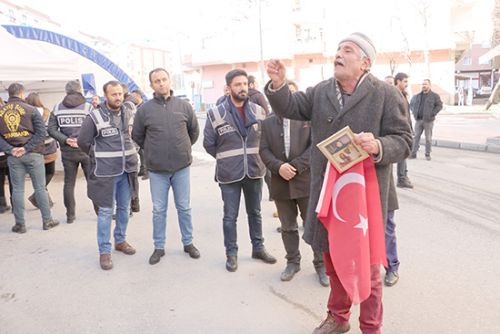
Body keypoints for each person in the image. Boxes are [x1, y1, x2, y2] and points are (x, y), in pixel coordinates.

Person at [265, 32, 412, 334]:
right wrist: (279, 84)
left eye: (347, 50)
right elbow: (290, 106)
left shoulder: (386, 94)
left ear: (365, 62)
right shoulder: (321, 92)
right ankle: (338, 317)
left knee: (368, 268)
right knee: (333, 261)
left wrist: (379, 145)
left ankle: (371, 326)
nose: (338, 55)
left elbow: (405, 141)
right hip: (329, 192)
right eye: (337, 50)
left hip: (367, 196)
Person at [203, 69, 277, 272]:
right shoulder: (216, 113)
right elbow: (209, 144)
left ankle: (258, 248)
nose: (243, 88)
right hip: (229, 173)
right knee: (230, 216)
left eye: (245, 84)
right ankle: (231, 254)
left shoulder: (259, 111)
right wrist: (228, 158)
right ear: (228, 88)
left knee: (255, 212)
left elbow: (267, 139)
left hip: (254, 169)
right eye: (238, 84)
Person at [260, 80, 329, 286]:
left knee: (314, 225)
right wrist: (279, 166)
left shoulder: (308, 121)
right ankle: (293, 262)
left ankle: (321, 265)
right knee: (288, 226)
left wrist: (296, 166)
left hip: (306, 181)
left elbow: (315, 146)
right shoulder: (268, 122)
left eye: (289, 95)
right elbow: (263, 150)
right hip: (280, 182)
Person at [132, 68, 200, 265]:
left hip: (181, 168)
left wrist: (182, 147)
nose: (161, 83)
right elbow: (137, 136)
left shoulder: (184, 106)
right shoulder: (144, 110)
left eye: (164, 79)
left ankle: (188, 243)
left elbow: (193, 132)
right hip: (157, 171)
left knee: (184, 208)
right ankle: (159, 246)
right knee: (158, 210)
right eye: (157, 81)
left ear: (170, 81)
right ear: (151, 85)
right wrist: (154, 150)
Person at [77, 81, 138, 270]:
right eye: (114, 94)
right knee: (105, 212)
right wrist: (98, 157)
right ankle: (104, 251)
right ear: (106, 95)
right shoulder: (94, 117)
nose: (118, 97)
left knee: (124, 208)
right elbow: (83, 141)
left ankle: (120, 240)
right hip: (105, 173)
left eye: (120, 94)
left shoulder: (129, 112)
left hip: (127, 170)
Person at [0, 83, 60, 233]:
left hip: (13, 156)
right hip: (33, 154)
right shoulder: (32, 110)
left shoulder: (1, 111)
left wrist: (11, 149)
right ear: (21, 93)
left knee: (18, 190)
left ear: (9, 94)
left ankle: (20, 224)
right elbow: (41, 133)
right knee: (40, 188)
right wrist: (26, 148)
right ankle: (47, 220)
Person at [48, 80, 92, 224]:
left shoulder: (57, 108)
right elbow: (94, 127)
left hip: (68, 152)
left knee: (69, 183)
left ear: (66, 91)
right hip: (86, 149)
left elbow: (51, 130)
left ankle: (70, 216)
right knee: (93, 181)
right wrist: (80, 139)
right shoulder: (88, 107)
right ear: (79, 90)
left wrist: (66, 140)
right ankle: (100, 211)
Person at [25, 92, 58, 209]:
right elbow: (52, 128)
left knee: (39, 176)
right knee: (50, 172)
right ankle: (41, 199)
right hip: (49, 146)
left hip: (35, 148)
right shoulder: (47, 112)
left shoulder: (26, 113)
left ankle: (39, 197)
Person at [409, 79, 443, 161]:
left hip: (428, 121)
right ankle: (413, 153)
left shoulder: (434, 96)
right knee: (416, 137)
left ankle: (427, 154)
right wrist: (414, 112)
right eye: (423, 84)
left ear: (430, 85)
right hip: (418, 120)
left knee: (428, 138)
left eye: (426, 84)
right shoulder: (417, 96)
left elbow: (439, 106)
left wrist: (432, 113)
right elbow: (412, 105)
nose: (424, 86)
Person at [393, 73, 414, 189]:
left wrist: (410, 128)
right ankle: (401, 178)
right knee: (401, 152)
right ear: (398, 81)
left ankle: (403, 176)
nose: (406, 84)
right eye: (405, 81)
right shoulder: (394, 94)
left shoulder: (404, 95)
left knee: (403, 153)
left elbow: (407, 114)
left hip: (404, 128)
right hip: (397, 129)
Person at [0, 99, 12, 214]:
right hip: (8, 151)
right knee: (13, 180)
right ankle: (15, 204)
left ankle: (2, 205)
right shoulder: (5, 114)